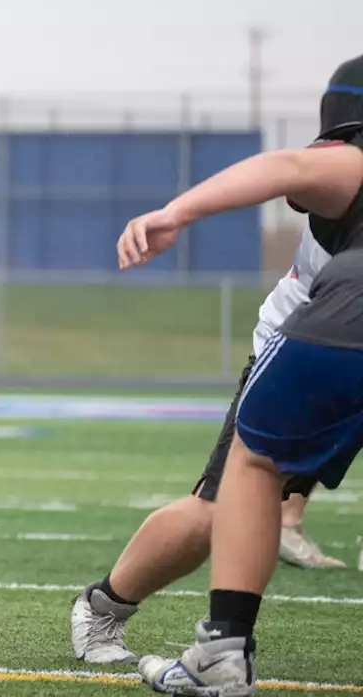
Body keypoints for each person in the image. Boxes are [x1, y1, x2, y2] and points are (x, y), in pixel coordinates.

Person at [117, 54, 363, 695]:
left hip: (345, 327)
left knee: (251, 465)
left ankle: (223, 654)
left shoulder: (348, 161)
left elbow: (287, 167)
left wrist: (175, 213)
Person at [70, 226, 341, 666]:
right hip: (307, 355)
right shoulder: (341, 165)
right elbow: (287, 172)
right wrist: (179, 213)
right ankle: (104, 606)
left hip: (341, 349)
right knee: (221, 509)